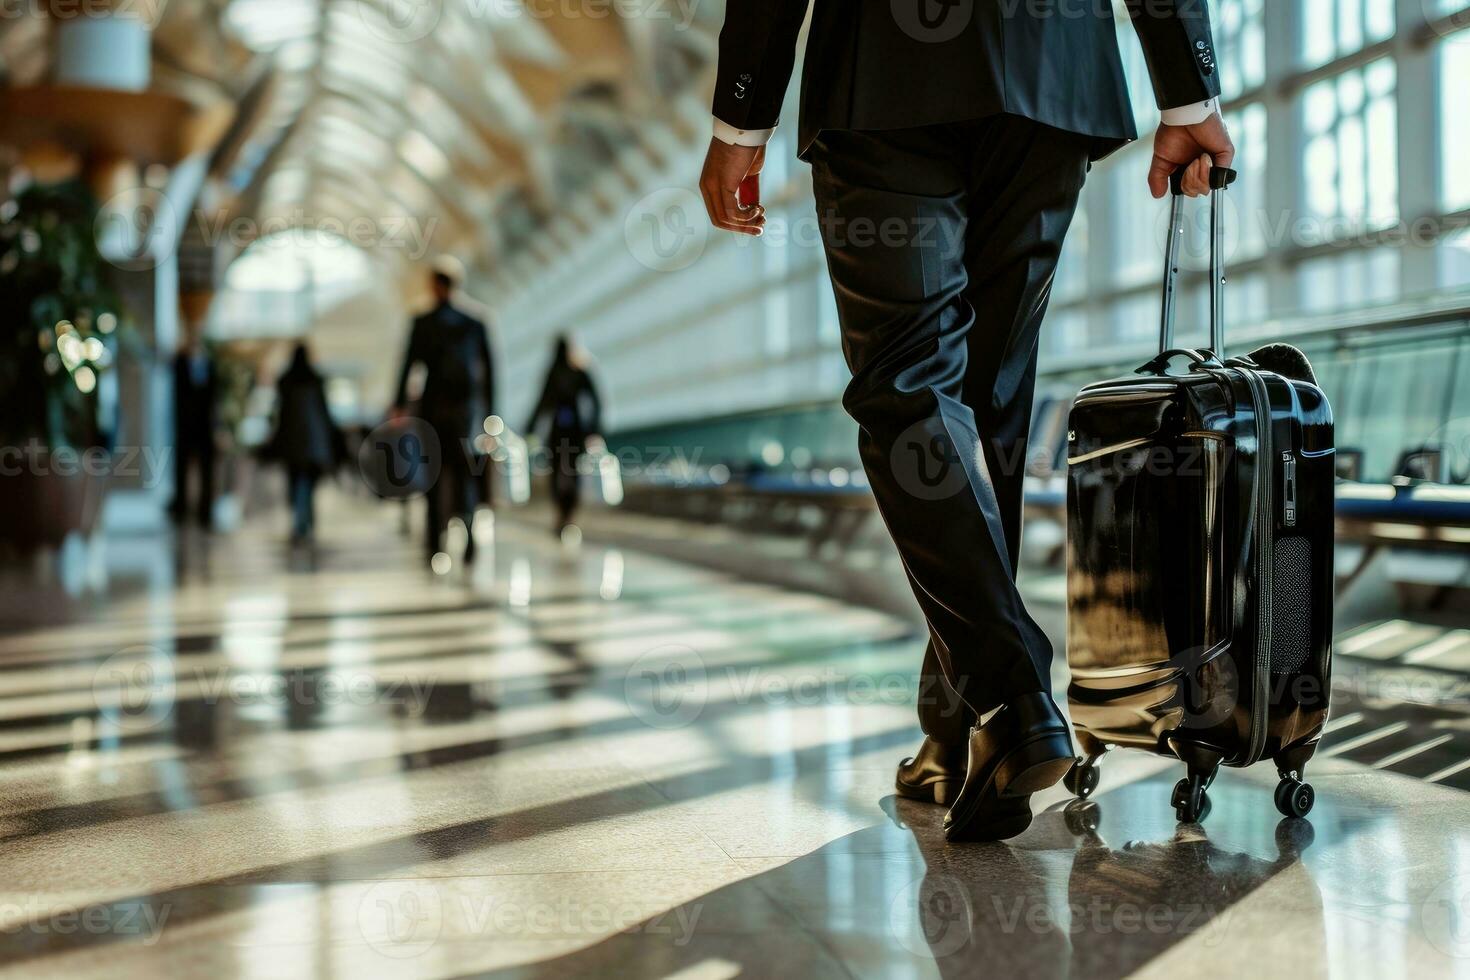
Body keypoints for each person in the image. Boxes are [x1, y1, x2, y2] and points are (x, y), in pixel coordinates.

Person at [699, 1, 1235, 841]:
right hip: (1052, 70)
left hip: (885, 74)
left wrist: (743, 111)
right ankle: (955, 735)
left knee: (908, 386)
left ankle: (1009, 695)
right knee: (988, 408)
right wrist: (1189, 96)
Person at [391, 260, 496, 565]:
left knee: (434, 476)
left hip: (433, 410)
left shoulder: (423, 322)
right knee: (466, 476)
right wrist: (491, 414)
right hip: (467, 413)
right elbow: (489, 373)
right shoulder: (475, 322)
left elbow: (408, 365)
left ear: (435, 285)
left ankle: (435, 544)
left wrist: (398, 404)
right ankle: (469, 538)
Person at [525, 335, 603, 534]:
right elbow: (595, 402)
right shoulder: (579, 369)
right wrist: (594, 430)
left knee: (559, 474)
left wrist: (530, 428)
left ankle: (564, 515)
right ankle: (567, 516)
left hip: (562, 432)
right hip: (574, 431)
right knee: (571, 474)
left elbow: (542, 403)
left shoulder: (558, 371)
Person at [269, 342, 342, 543]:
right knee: (308, 484)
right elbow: (325, 413)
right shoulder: (315, 380)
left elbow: (279, 413)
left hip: (293, 442)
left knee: (295, 482)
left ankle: (300, 521)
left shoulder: (286, 381)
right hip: (312, 443)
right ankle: (306, 520)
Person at [170, 326, 218, 528]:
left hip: (205, 427)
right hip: (185, 426)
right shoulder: (180, 363)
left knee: (207, 470)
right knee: (181, 468)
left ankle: (205, 511)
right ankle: (181, 508)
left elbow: (215, 397)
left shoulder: (210, 364)